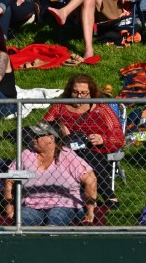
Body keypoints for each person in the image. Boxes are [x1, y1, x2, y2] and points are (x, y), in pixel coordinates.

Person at [44, 74, 125, 205]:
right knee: (80, 154)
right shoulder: (59, 108)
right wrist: (60, 130)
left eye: (84, 93)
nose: (79, 97)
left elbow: (117, 135)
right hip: (64, 150)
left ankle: (89, 196)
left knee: (87, 154)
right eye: (75, 92)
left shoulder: (101, 109)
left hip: (94, 151)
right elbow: (43, 129)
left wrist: (102, 139)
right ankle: (108, 195)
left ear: (91, 93)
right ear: (70, 91)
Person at [3, 121, 97, 226]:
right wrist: (10, 210)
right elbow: (9, 180)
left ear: (51, 138)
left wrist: (90, 212)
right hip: (32, 204)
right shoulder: (27, 154)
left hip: (63, 204)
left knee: (55, 220)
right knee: (22, 222)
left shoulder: (67, 155)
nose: (33, 138)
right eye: (33, 135)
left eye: (37, 136)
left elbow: (90, 180)